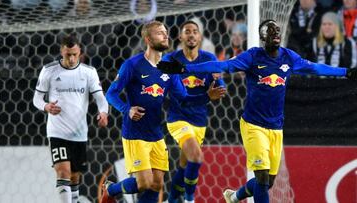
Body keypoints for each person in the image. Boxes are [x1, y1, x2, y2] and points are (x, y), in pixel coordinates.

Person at [156, 19, 357, 203]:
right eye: (270, 31)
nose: (275, 33)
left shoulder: (288, 57)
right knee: (261, 176)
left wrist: (346, 72)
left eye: (277, 30)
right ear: (262, 37)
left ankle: (235, 196)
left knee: (267, 182)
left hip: (276, 127)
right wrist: (185, 69)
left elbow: (315, 68)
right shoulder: (252, 56)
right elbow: (223, 65)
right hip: (253, 126)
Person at [102, 20, 225, 203]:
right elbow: (111, 93)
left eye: (166, 32)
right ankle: (111, 190)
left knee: (157, 184)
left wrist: (207, 96)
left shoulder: (170, 70)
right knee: (144, 183)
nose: (165, 35)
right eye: (160, 32)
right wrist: (126, 109)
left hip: (156, 133)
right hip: (134, 133)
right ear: (148, 39)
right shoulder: (133, 65)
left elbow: (184, 100)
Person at [33, 34, 109, 203]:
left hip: (79, 133)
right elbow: (36, 99)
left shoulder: (89, 72)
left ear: (80, 52)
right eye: (68, 54)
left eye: (75, 54)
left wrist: (103, 112)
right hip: (57, 131)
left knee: (74, 177)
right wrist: (46, 106)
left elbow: (100, 98)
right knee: (63, 172)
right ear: (62, 51)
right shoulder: (49, 70)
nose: (72, 58)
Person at [164, 20, 225, 203]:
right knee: (197, 158)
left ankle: (172, 199)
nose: (191, 34)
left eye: (195, 31)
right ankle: (190, 199)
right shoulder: (171, 60)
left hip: (199, 121)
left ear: (200, 37)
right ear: (180, 37)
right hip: (178, 119)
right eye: (187, 31)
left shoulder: (209, 59)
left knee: (184, 166)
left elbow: (220, 90)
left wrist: (218, 82)